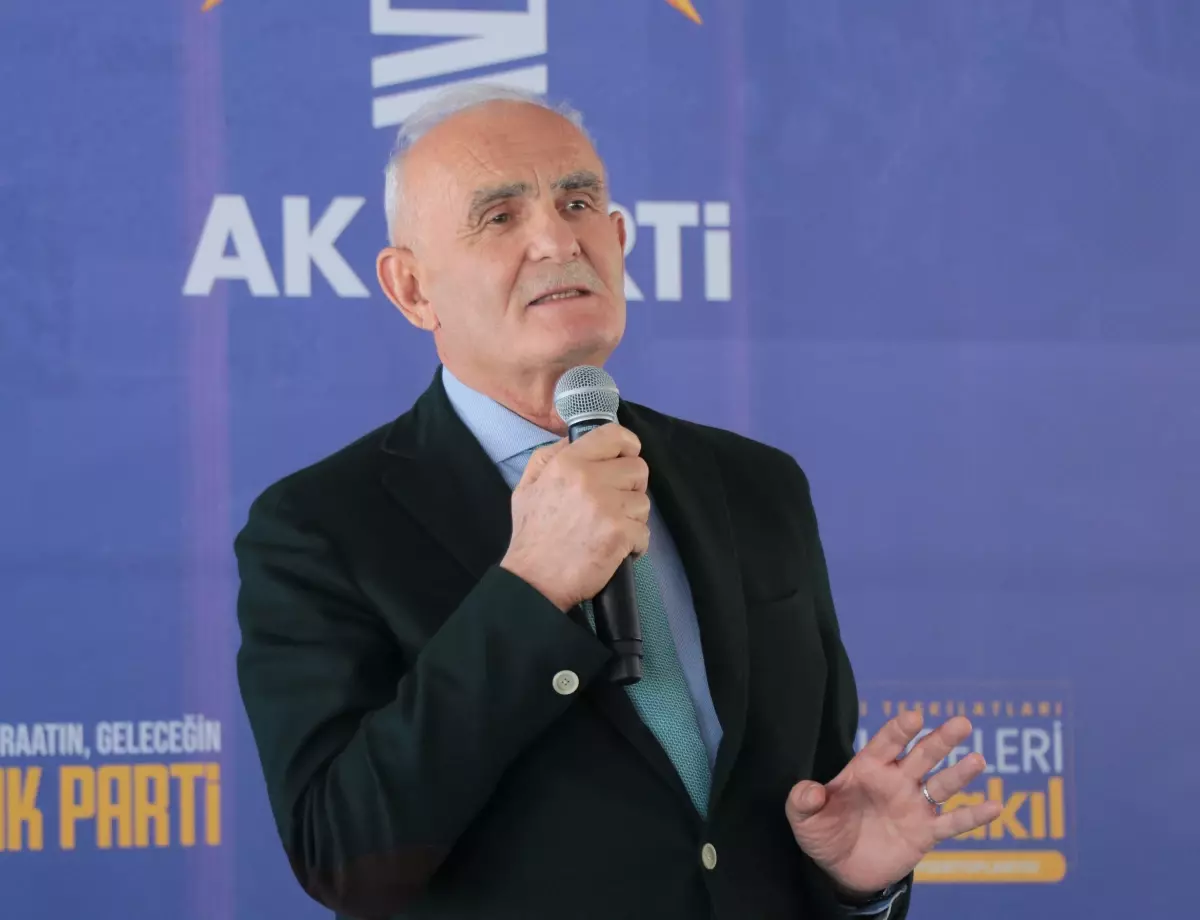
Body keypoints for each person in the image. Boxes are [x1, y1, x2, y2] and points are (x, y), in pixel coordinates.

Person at [233, 84, 1003, 920]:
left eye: (578, 203)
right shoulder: (319, 528)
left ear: (621, 239)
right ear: (413, 289)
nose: (557, 239)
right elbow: (345, 855)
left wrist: (854, 884)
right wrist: (530, 591)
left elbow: (798, 814)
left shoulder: (757, 484)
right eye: (500, 216)